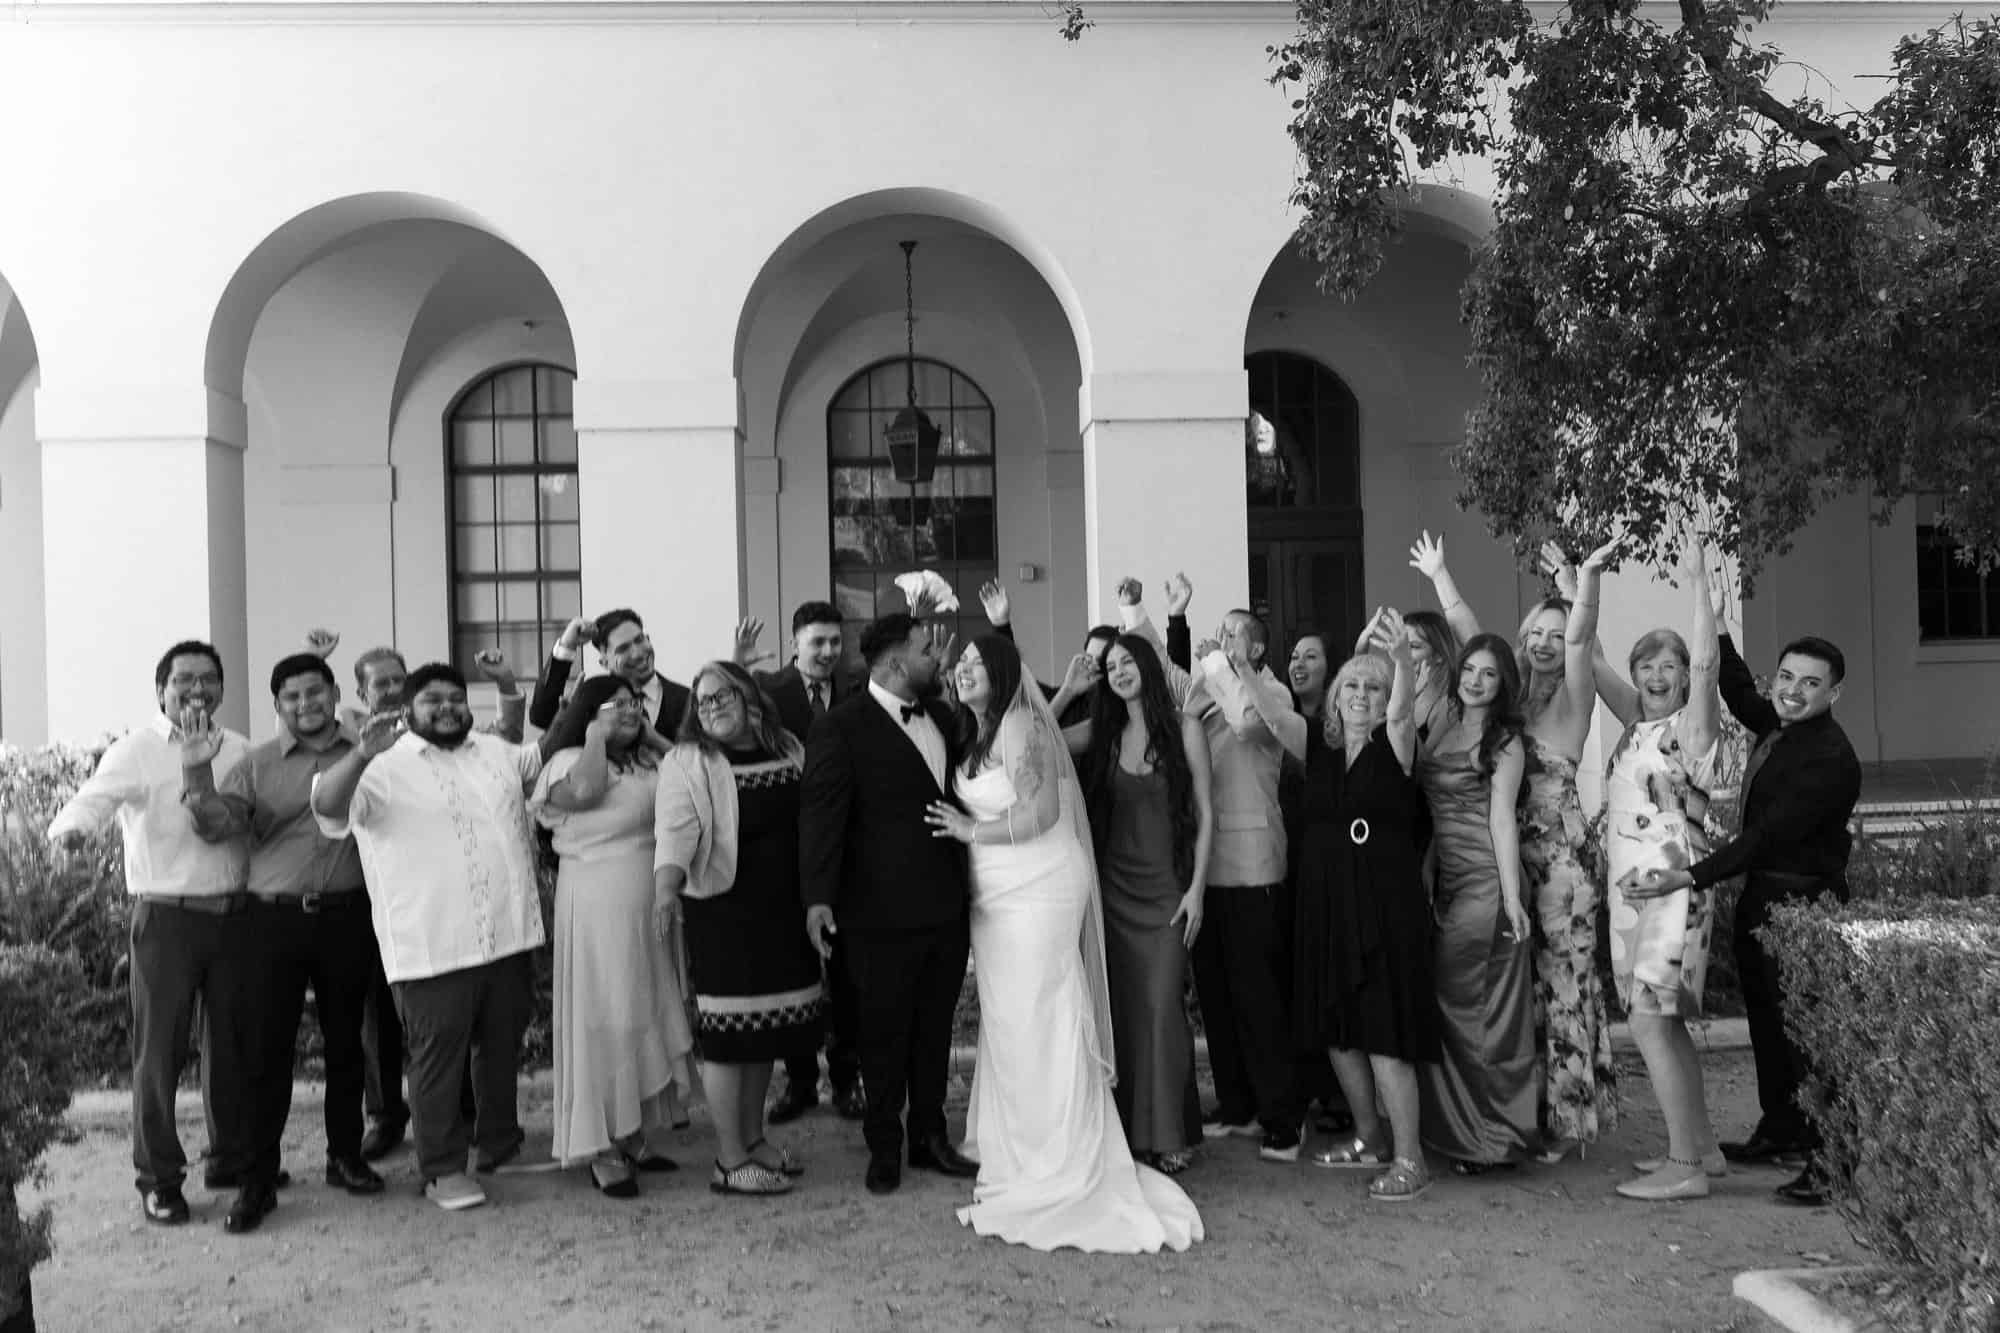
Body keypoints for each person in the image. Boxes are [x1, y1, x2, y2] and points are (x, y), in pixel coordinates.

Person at [924, 634, 1203, 1252]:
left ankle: (1062, 1156)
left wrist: (972, 828)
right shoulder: (976, 734)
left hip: (1038, 887)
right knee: (1007, 1019)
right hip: (995, 895)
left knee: (1041, 1015)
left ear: (1000, 675)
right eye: (959, 665)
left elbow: (1045, 809)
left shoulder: (1021, 723)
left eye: (974, 663)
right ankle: (1018, 1143)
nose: (963, 670)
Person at [1412, 530, 1618, 1159]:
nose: (1547, 644)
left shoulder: (1573, 703)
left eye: (1556, 636)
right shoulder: (1512, 705)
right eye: (1537, 633)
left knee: (1561, 987)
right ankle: (1520, 1112)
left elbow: (1582, 638)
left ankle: (1565, 1122)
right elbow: (1478, 643)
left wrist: (1581, 588)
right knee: (1520, 994)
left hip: (1555, 866)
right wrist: (1442, 578)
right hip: (1495, 863)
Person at [1636, 631, 1861, 1208]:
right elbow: (1736, 690)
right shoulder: (1784, 726)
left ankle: (1832, 1162)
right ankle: (1783, 1129)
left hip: (1806, 910)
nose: (1793, 691)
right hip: (1767, 901)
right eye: (1786, 678)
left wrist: (1690, 875)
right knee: (1767, 1025)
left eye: (1811, 683)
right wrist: (1709, 617)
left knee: (1807, 1039)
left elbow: (1763, 838)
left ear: (1835, 692)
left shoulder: (1830, 757)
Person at [310, 663, 545, 1213]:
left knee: (501, 1047)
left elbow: (544, 755)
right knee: (438, 1061)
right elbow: (326, 807)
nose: (447, 708)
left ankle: (498, 1146)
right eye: (432, 700)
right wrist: (364, 752)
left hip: (508, 935)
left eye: (456, 698)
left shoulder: (492, 751)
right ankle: (441, 1169)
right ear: (409, 710)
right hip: (433, 946)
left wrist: (540, 683)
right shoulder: (381, 766)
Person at [46, 641, 262, 1232]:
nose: (197, 690)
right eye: (183, 680)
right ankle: (160, 1179)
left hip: (234, 917)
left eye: (208, 680)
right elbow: (94, 800)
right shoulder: (136, 751)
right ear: (161, 690)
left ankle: (229, 1159)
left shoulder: (240, 748)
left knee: (229, 1049)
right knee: (158, 1054)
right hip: (166, 919)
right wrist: (72, 832)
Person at [183, 653, 388, 1220]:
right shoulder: (258, 764)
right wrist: (197, 772)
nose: (305, 704)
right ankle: (256, 1178)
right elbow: (214, 825)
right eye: (291, 697)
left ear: (334, 692)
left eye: (315, 692)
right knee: (265, 1051)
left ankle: (345, 1156)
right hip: (272, 920)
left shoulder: (368, 753)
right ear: (278, 707)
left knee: (348, 1043)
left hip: (349, 915)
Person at [799, 613, 977, 1195]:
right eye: (928, 650)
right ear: (897, 663)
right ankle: (884, 1145)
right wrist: (818, 899)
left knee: (934, 1032)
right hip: (876, 914)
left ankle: (930, 1136)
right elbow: (822, 817)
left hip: (946, 908)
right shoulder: (841, 726)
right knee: (882, 1034)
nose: (938, 659)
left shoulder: (945, 718)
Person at [656, 661, 828, 1196]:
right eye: (702, 702)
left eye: (721, 695)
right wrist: (665, 888)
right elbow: (675, 830)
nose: (711, 708)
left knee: (765, 1033)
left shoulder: (788, 747)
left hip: (784, 910)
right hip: (724, 912)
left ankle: (753, 1141)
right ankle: (729, 1161)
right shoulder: (688, 760)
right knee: (730, 1039)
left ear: (748, 695)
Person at [531, 675, 697, 1199]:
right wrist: (597, 737)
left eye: (633, 703)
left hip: (652, 901)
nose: (629, 709)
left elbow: (697, 777)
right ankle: (600, 1145)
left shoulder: (649, 762)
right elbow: (585, 793)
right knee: (606, 1017)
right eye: (616, 704)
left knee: (646, 1010)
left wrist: (650, 738)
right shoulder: (566, 764)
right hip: (596, 904)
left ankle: (633, 1130)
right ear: (588, 711)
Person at [1597, 536, 1726, 1202]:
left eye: (1669, 663)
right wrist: (1575, 583)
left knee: (1649, 1020)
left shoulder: (1690, 728)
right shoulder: (1635, 725)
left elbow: (1709, 664)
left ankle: (1686, 1165)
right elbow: (1584, 655)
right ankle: (1701, 1145)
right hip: (1637, 897)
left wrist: (1702, 582)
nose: (1658, 673)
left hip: (1674, 891)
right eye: (1646, 662)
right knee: (1664, 1020)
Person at [1292, 615, 1439, 1201]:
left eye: (1371, 689)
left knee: (1385, 1037)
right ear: (1335, 698)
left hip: (1385, 912)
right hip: (1331, 910)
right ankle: (1370, 1137)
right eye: (1350, 686)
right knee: (1339, 1033)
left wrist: (1400, 659)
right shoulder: (1323, 754)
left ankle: (1411, 1159)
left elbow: (1405, 713)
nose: (1360, 695)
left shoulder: (1397, 746)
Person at [1081, 633, 1214, 1176]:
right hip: (1113, 892)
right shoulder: (1103, 733)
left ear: (1150, 667)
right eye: (1110, 665)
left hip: (1167, 892)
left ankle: (1170, 1134)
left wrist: (1197, 890)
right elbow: (1033, 734)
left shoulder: (1185, 727)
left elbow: (1208, 814)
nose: (1119, 671)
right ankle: (1133, 1134)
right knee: (1124, 1013)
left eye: (1128, 661)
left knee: (1162, 1008)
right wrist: (1068, 690)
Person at [732, 603, 866, 1125]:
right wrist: (739, 665)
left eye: (835, 642)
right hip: (785, 852)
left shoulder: (856, 687)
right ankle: (800, 1081)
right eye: (818, 643)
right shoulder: (769, 689)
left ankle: (847, 1078)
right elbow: (730, 723)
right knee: (793, 970)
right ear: (795, 645)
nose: (829, 652)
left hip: (846, 853)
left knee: (846, 973)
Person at [1413, 632, 1540, 1172]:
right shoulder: (1442, 725)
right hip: (1449, 882)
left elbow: (1501, 819)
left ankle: (1494, 1140)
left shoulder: (1505, 741)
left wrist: (1513, 898)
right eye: (1470, 670)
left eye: (1489, 674)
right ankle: (1458, 1132)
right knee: (1451, 1009)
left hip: (1489, 884)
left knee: (1481, 1013)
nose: (1476, 681)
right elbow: (1432, 816)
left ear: (1503, 683)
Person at [530, 610, 691, 742]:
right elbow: (542, 716)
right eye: (623, 649)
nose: (637, 653)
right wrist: (567, 646)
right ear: (604, 662)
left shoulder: (690, 700)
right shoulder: (593, 701)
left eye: (640, 640)